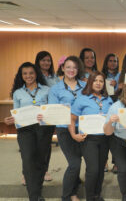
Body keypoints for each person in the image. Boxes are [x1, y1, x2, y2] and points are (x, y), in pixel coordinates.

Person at [9, 62, 51, 201]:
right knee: (28, 161)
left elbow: (51, 110)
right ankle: (34, 196)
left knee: (40, 161)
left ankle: (37, 192)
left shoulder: (46, 89)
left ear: (36, 74)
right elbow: (16, 114)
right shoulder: (17, 92)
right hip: (25, 130)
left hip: (43, 128)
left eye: (31, 73)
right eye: (25, 73)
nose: (28, 76)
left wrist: (46, 114)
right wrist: (11, 119)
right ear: (21, 76)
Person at [69, 71, 113, 201]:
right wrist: (73, 134)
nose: (98, 83)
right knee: (93, 170)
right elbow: (71, 119)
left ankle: (96, 195)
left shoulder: (108, 99)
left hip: (105, 139)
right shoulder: (82, 98)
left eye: (101, 81)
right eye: (95, 80)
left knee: (100, 169)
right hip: (88, 140)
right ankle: (90, 198)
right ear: (90, 82)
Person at [47, 56, 86, 201]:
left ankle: (73, 192)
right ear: (62, 68)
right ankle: (66, 196)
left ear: (78, 69)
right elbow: (54, 110)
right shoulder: (55, 88)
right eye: (68, 67)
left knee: (78, 161)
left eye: (74, 67)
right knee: (74, 163)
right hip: (64, 129)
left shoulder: (85, 85)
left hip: (82, 128)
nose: (71, 70)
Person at [34, 50, 59, 182]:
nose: (46, 63)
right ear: (38, 61)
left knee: (45, 145)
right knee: (32, 145)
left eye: (48, 60)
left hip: (50, 115)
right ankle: (26, 172)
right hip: (35, 114)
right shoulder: (34, 76)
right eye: (43, 60)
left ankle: (44, 171)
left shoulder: (54, 77)